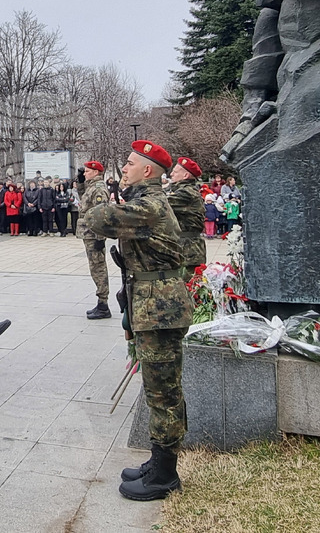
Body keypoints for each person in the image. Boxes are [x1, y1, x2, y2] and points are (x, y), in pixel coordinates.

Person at [85, 141, 193, 501]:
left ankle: (165, 475)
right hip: (153, 307)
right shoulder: (143, 201)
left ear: (148, 171)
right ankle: (158, 460)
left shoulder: (149, 205)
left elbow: (98, 219)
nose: (124, 169)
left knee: (163, 392)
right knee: (157, 388)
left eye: (130, 164)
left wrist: (98, 191)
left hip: (160, 310)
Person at [76, 161, 112, 319]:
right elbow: (84, 201)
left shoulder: (98, 188)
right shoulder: (91, 186)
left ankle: (103, 305)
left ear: (96, 172)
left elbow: (101, 213)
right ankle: (101, 303)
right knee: (95, 268)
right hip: (88, 233)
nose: (84, 173)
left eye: (87, 171)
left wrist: (100, 237)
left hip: (94, 234)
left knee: (98, 269)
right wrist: (80, 183)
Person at [166, 157, 207, 271]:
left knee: (188, 286)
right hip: (186, 248)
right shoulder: (184, 190)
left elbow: (160, 204)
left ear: (185, 176)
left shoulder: (186, 193)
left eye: (175, 171)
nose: (171, 174)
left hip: (188, 251)